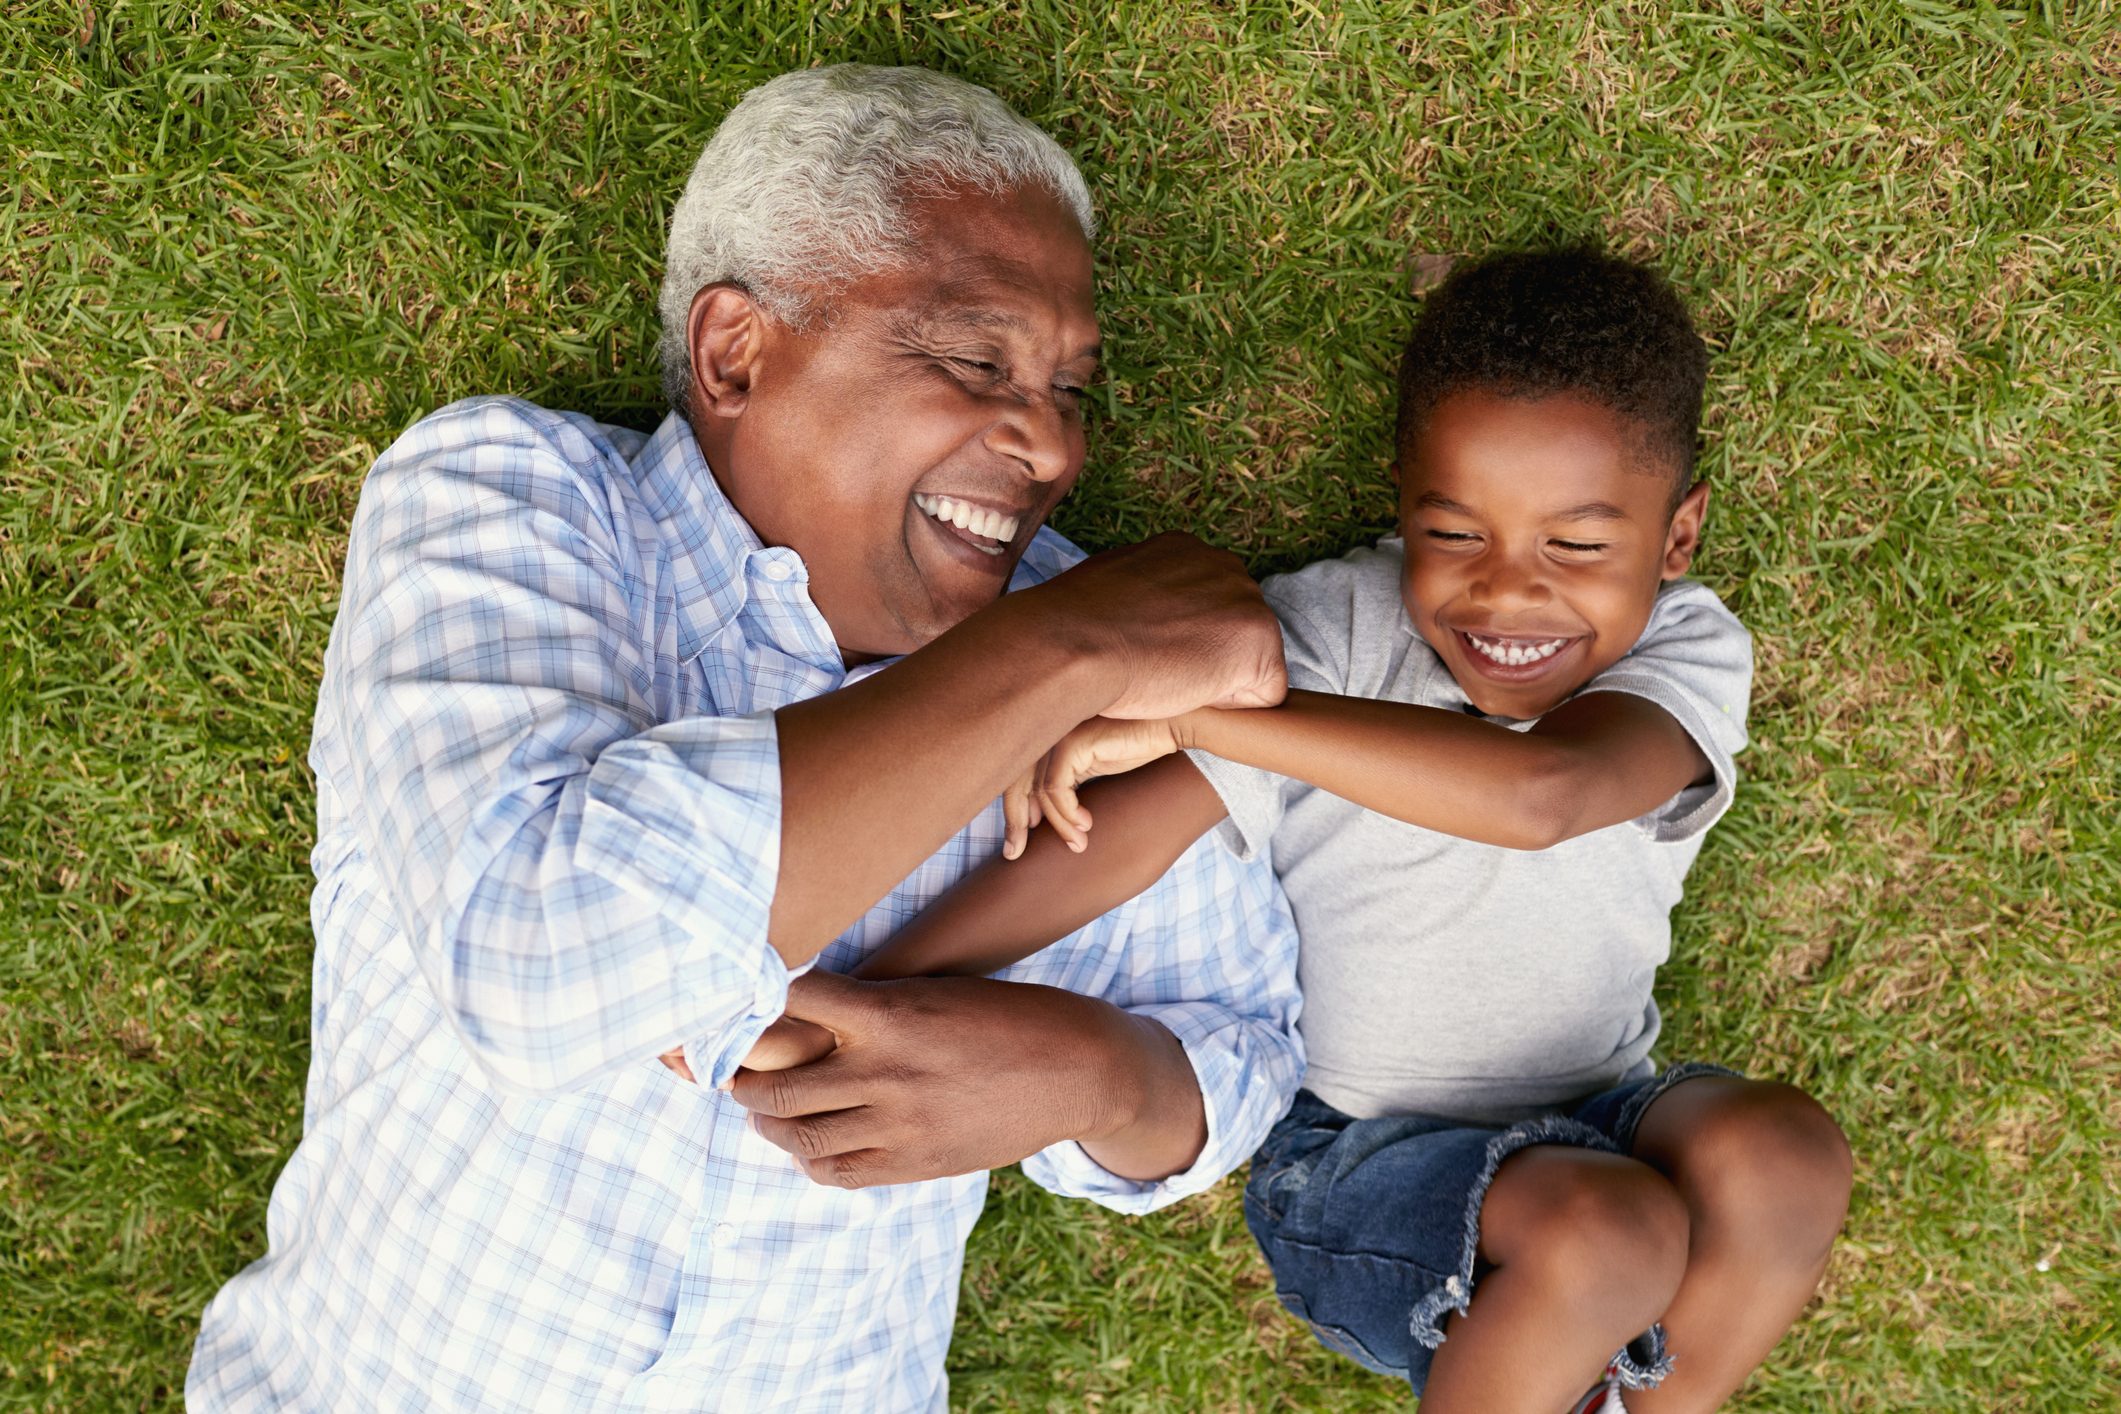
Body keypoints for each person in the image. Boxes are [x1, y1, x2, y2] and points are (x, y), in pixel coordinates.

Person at [186, 64, 1305, 1412]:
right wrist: (1057, 653)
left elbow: (1233, 1053)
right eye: (975, 360)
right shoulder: (510, 499)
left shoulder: (1098, 651)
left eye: (1071, 387)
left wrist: (1085, 1072)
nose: (1052, 445)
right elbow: (545, 957)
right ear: (735, 353)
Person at [834, 250, 1854, 1412]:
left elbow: (1546, 796)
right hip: (1360, 1164)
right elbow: (1126, 836)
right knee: (1608, 1231)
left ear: (1676, 539)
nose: (1507, 597)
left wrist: (1207, 713)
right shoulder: (1333, 629)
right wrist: (881, 983)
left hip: (1611, 1107)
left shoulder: (1685, 647)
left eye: (1576, 547)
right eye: (1456, 533)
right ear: (1404, 499)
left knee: (1785, 1157)